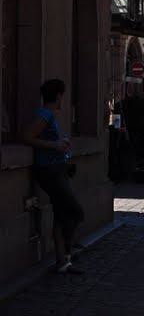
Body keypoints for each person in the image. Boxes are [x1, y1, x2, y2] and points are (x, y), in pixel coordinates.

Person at [21, 79, 85, 274]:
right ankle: (67, 250)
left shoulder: (47, 115)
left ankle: (63, 261)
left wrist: (60, 143)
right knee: (75, 212)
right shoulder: (45, 114)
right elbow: (27, 136)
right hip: (49, 171)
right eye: (62, 96)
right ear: (58, 96)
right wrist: (55, 145)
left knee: (61, 212)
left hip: (56, 168)